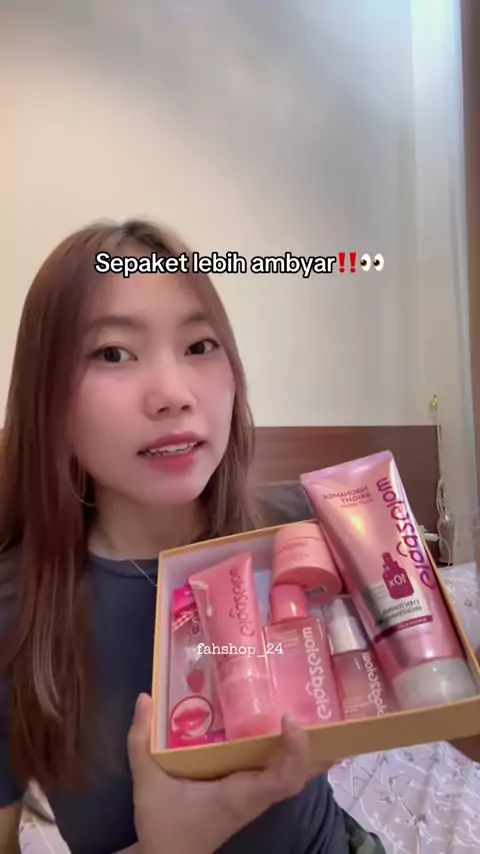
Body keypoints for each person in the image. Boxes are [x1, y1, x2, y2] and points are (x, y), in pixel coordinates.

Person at [0, 218, 388, 854]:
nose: (174, 395)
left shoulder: (305, 528)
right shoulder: (14, 613)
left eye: (200, 345)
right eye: (113, 353)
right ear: (49, 400)